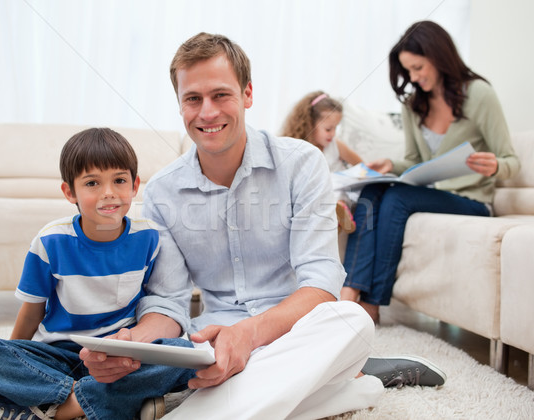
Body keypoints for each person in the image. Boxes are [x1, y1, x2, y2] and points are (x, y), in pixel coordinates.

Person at [81, 33, 446, 419]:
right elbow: (170, 302)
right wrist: (132, 344)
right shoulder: (161, 192)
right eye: (193, 99)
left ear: (247, 94)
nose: (207, 112)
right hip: (214, 342)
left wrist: (250, 335)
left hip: (297, 330)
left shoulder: (301, 163)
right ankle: (347, 387)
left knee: (352, 320)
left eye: (221, 95)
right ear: (180, 104)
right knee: (173, 363)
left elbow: (321, 283)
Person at [0, 128, 196, 420]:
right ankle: (93, 401)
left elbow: (152, 300)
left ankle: (50, 408)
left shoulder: (149, 237)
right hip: (59, 357)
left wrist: (133, 348)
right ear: (69, 192)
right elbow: (31, 311)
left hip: (118, 356)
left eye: (119, 180)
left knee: (183, 352)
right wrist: (15, 358)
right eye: (92, 183)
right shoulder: (50, 242)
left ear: (135, 185)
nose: (109, 192)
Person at [341, 20, 521, 323]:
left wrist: (496, 166)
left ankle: (373, 304)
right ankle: (349, 294)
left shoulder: (479, 94)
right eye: (408, 70)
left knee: (397, 199)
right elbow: (414, 160)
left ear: (438, 56)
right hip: (432, 194)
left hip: (472, 201)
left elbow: (510, 161)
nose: (413, 77)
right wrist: (390, 165)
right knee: (372, 190)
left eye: (418, 67)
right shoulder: (413, 105)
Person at [281, 90, 363, 233]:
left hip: (339, 187)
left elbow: (361, 165)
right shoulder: (297, 148)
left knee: (337, 188)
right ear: (310, 124)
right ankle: (332, 218)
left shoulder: (336, 146)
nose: (332, 134)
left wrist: (368, 172)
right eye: (328, 129)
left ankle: (339, 212)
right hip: (316, 192)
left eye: (335, 128)